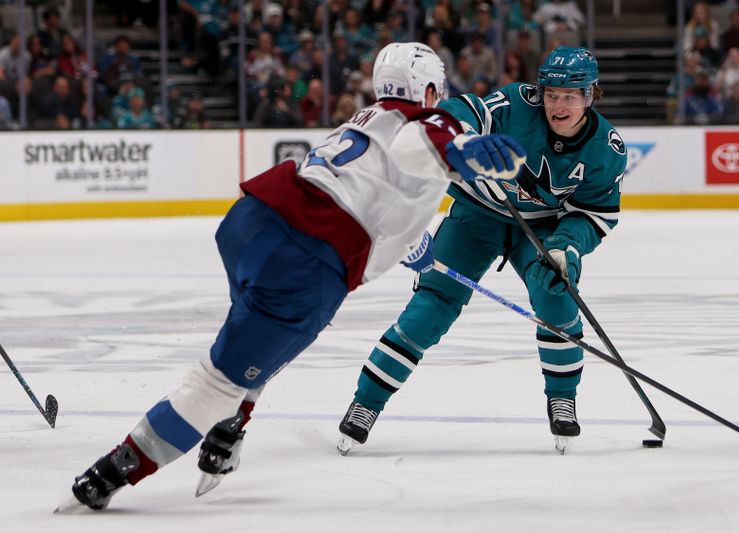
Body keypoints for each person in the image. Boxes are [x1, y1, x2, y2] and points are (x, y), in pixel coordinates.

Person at [57, 42, 526, 512]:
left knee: (258, 337)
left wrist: (410, 243)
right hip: (307, 259)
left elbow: (384, 181)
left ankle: (229, 427)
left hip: (252, 223)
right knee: (216, 382)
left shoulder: (365, 118)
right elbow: (422, 144)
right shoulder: (429, 121)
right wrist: (465, 151)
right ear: (427, 89)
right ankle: (113, 472)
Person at [335, 46, 628, 456]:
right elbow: (458, 110)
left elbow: (593, 214)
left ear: (591, 95)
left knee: (556, 291)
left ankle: (562, 395)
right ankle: (365, 402)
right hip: (476, 215)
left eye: (571, 95)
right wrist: (463, 137)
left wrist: (566, 247)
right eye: (552, 94)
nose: (558, 105)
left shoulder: (606, 149)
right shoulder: (514, 103)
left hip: (541, 228)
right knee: (431, 306)